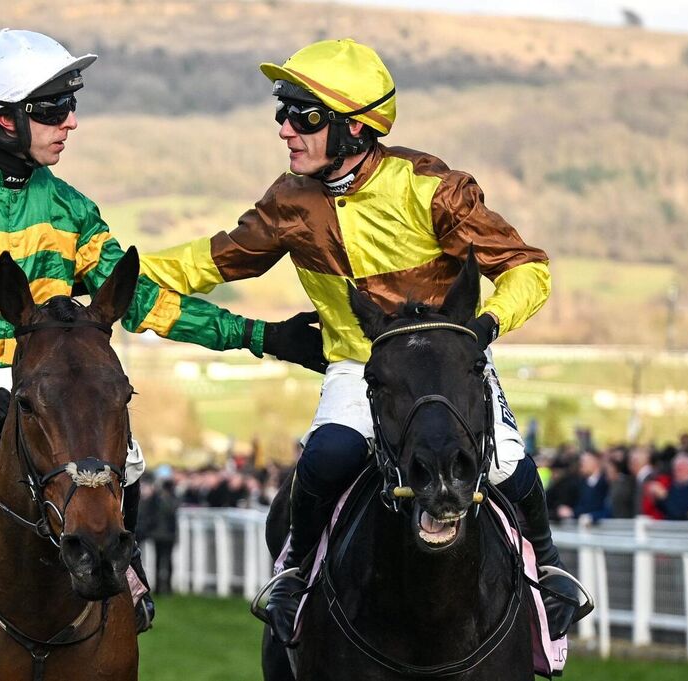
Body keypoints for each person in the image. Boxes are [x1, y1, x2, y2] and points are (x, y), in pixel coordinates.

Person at [0, 29, 320, 633]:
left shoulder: (73, 211)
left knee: (124, 458)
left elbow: (144, 303)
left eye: (70, 105)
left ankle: (119, 567)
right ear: (2, 121)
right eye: (53, 109)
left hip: (46, 385)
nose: (71, 122)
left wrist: (260, 336)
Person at [138, 38, 586, 642]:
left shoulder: (432, 187)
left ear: (353, 129)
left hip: (446, 365)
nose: (284, 130)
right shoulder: (289, 202)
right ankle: (294, 572)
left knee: (504, 461)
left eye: (303, 116)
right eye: (282, 113)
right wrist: (111, 269)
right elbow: (204, 264)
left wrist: (487, 326)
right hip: (358, 363)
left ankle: (551, 570)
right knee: (326, 457)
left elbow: (527, 267)